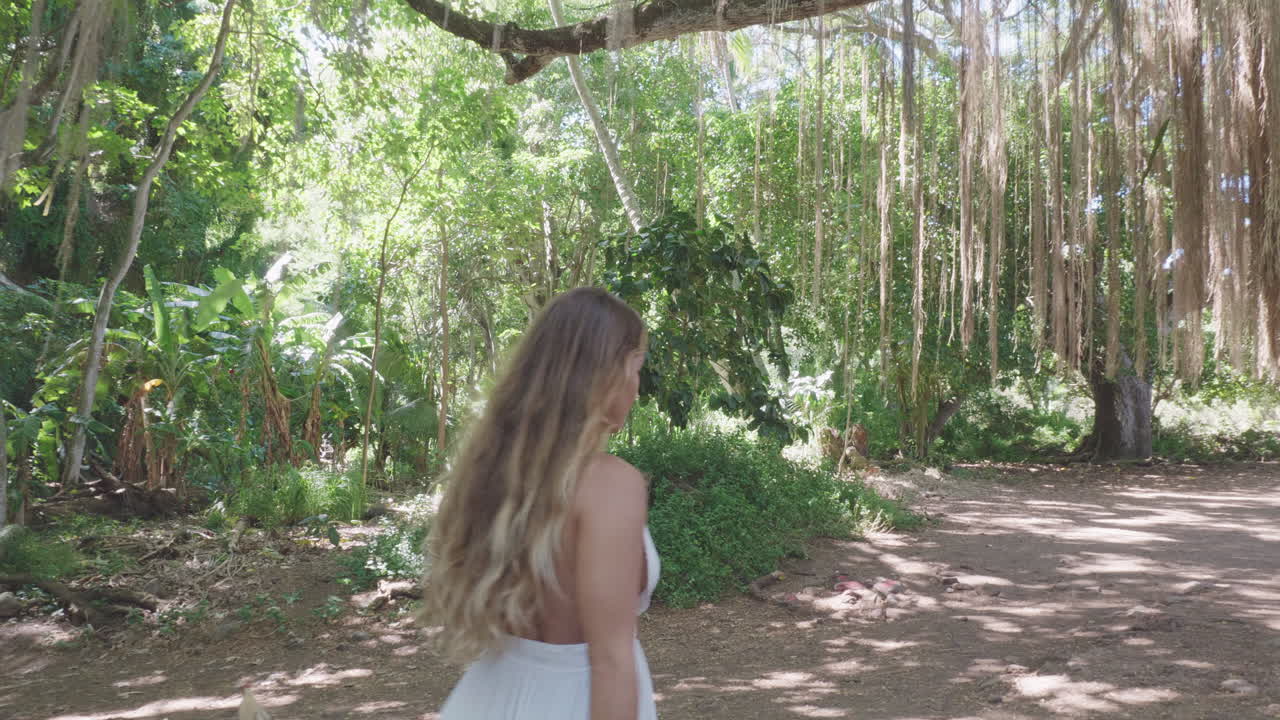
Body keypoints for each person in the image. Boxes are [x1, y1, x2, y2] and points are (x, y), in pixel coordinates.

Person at [422, 287, 659, 720]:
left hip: (487, 695)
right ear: (604, 373)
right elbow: (610, 659)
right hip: (576, 700)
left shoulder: (493, 472)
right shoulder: (610, 484)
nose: (637, 385)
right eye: (636, 365)